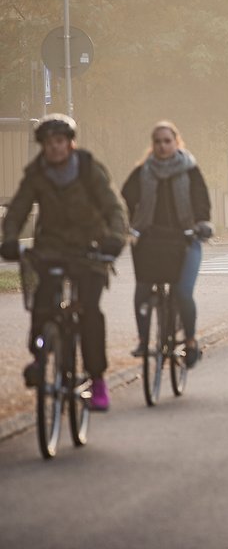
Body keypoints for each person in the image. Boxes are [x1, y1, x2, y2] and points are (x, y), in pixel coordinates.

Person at [0, 114, 127, 411]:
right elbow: (17, 209)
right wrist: (9, 238)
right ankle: (39, 356)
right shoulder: (37, 173)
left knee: (89, 312)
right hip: (51, 249)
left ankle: (97, 380)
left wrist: (116, 237)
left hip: (89, 250)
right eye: (48, 143)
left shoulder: (88, 168)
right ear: (42, 146)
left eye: (59, 141)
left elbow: (112, 205)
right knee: (41, 304)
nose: (54, 148)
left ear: (70, 143)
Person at [122, 121, 213, 367]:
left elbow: (201, 199)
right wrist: (128, 222)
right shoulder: (143, 171)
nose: (162, 146)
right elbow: (126, 196)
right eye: (157, 142)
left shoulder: (190, 169)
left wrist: (202, 223)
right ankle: (143, 340)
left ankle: (191, 341)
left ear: (176, 142)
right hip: (151, 240)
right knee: (142, 290)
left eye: (167, 141)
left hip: (185, 239)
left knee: (183, 293)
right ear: (152, 145)